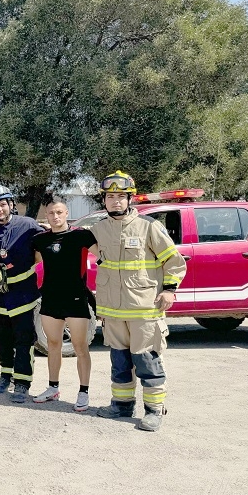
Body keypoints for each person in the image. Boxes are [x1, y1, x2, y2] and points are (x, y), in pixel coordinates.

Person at [89, 171, 187, 432]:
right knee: (119, 361)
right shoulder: (97, 230)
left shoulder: (149, 226)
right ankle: (122, 406)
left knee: (146, 360)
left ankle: (154, 411)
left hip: (144, 308)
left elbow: (174, 261)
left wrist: (169, 290)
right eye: (111, 197)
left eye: (121, 196)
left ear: (130, 199)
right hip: (113, 311)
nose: (116, 202)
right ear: (104, 201)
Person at [0, 185, 45, 403]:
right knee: (3, 339)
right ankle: (5, 375)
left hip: (22, 294)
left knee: (23, 339)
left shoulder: (29, 225)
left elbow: (42, 251)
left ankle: (22, 383)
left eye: (3, 204)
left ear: (11, 205)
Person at [31, 196, 96, 412]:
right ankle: (53, 388)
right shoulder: (40, 240)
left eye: (59, 212)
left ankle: (83, 392)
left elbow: (106, 255)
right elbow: (35, 263)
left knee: (80, 347)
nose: (55, 216)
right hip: (50, 298)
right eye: (51, 213)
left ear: (66, 213)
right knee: (52, 345)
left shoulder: (83, 236)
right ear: (46, 215)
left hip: (76, 299)